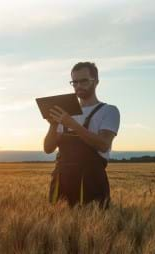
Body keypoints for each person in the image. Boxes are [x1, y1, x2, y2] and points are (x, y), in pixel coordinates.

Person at [43, 62, 120, 209]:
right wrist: (53, 125)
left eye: (84, 81)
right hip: (62, 180)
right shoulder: (63, 112)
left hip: (91, 180)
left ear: (96, 81)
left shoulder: (109, 111)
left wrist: (72, 124)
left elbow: (103, 144)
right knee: (59, 228)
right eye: (75, 82)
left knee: (94, 227)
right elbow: (48, 148)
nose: (78, 86)